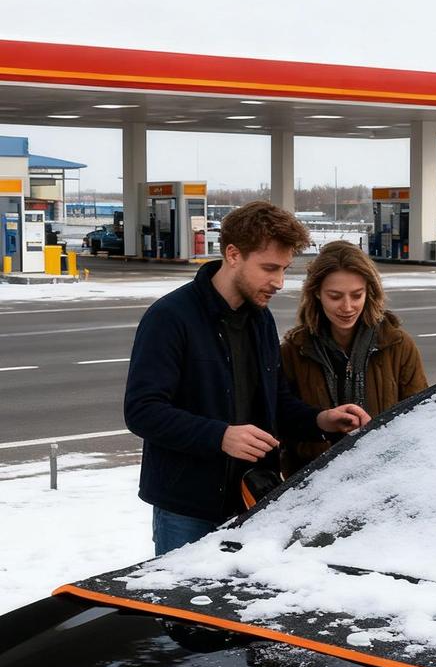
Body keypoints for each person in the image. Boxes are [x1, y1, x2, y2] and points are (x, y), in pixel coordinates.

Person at [124, 201, 370, 555]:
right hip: (187, 509)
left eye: (284, 269)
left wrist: (321, 420)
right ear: (233, 254)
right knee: (185, 593)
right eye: (269, 268)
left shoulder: (260, 319)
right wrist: (220, 436)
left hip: (253, 500)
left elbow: (276, 402)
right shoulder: (170, 317)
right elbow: (142, 411)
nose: (279, 282)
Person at [279, 240, 428, 476]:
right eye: (335, 296)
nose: (347, 307)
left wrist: (377, 432)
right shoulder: (293, 350)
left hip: (384, 476)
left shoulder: (398, 345)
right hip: (316, 482)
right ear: (316, 293)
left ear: (369, 292)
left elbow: (420, 417)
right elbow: (283, 424)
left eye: (357, 295)